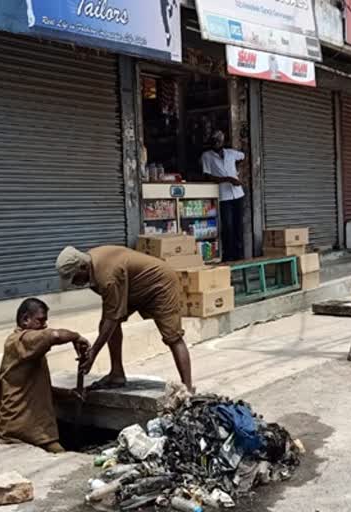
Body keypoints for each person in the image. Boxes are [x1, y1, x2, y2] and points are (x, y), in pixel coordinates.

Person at [55, 245, 193, 390]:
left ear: (83, 267)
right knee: (106, 326)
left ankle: (188, 389)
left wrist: (93, 353)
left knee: (173, 337)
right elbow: (110, 317)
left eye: (75, 278)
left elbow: (112, 318)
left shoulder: (106, 276)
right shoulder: (90, 264)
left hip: (160, 284)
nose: (75, 283)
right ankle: (117, 374)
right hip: (131, 287)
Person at [0, 298, 89, 453]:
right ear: (25, 320)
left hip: (30, 428)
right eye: (40, 320)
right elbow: (55, 336)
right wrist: (76, 336)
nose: (44, 325)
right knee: (61, 455)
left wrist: (68, 394)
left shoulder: (32, 349)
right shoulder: (21, 340)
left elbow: (35, 388)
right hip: (21, 430)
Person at [201, 131, 246, 261]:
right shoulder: (207, 156)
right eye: (214, 141)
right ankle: (228, 256)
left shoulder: (231, 153)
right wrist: (228, 179)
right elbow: (208, 177)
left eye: (218, 141)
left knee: (238, 226)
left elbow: (243, 156)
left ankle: (239, 256)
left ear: (222, 142)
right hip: (224, 196)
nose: (216, 143)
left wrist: (237, 170)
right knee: (228, 226)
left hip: (238, 194)